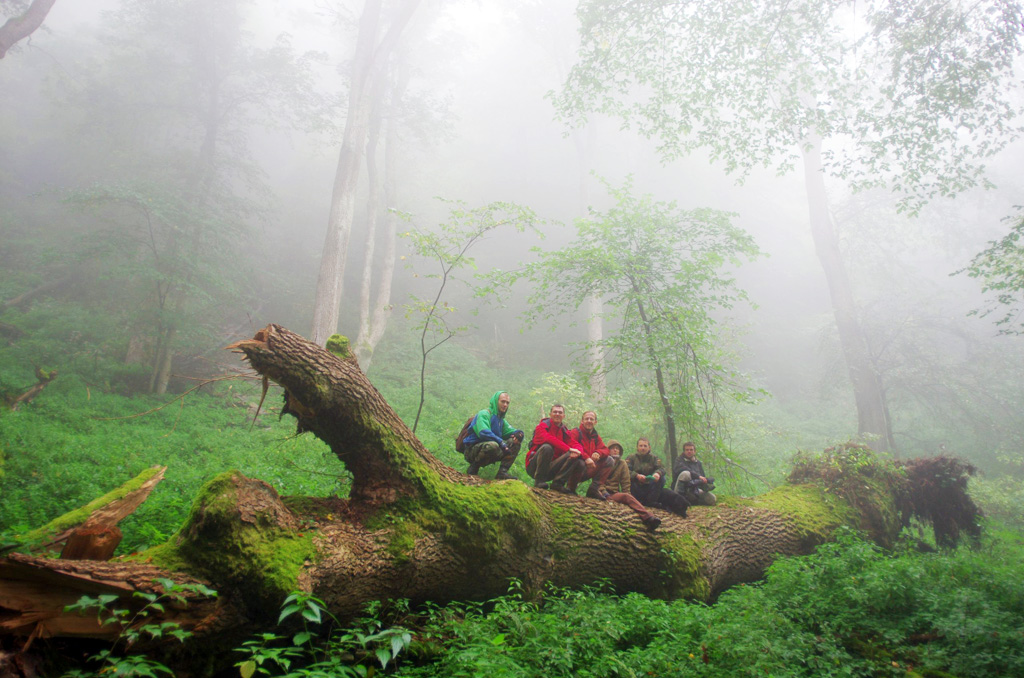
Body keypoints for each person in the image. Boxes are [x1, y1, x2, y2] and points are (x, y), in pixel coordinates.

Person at [592, 439, 661, 530]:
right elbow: (598, 481)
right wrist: (604, 493)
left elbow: (625, 482)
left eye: (617, 448)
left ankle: (649, 518)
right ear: (608, 450)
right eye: (612, 448)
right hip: (599, 492)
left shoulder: (622, 463)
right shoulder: (602, 462)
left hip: (613, 493)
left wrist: (627, 496)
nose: (615, 450)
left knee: (627, 497)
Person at [461, 391, 524, 480]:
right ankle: (474, 467)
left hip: (490, 449)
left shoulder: (500, 420)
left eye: (507, 403)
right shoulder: (484, 414)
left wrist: (520, 433)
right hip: (472, 450)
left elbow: (512, 431)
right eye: (503, 401)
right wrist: (500, 442)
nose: (505, 405)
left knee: (514, 442)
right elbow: (483, 432)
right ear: (495, 401)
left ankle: (502, 473)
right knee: (492, 445)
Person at [525, 404, 585, 493]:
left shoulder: (564, 431)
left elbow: (573, 443)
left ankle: (558, 484)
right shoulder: (542, 426)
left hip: (551, 468)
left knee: (575, 457)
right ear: (550, 414)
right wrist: (568, 449)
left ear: (563, 416)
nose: (557, 414)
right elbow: (548, 438)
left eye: (560, 412)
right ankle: (539, 481)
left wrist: (579, 452)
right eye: (555, 412)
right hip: (534, 467)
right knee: (547, 447)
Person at [625, 437, 688, 517]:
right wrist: (636, 476)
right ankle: (641, 500)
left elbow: (662, 468)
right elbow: (626, 470)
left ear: (649, 447)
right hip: (637, 487)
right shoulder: (631, 458)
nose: (643, 448)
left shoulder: (654, 458)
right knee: (630, 478)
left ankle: (651, 501)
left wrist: (657, 474)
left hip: (651, 489)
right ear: (637, 447)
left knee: (662, 479)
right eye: (641, 446)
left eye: (645, 446)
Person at [570, 410, 610, 493]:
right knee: (579, 461)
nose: (589, 421)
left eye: (591, 419)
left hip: (588, 468)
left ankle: (594, 489)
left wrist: (598, 453)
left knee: (609, 460)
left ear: (595, 422)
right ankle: (570, 487)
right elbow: (572, 446)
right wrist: (587, 458)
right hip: (572, 469)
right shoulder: (575, 432)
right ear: (582, 421)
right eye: (586, 419)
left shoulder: (595, 436)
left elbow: (606, 450)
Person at [672, 441, 717, 506]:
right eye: (687, 450)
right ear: (684, 451)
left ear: (694, 451)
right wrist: (698, 477)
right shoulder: (679, 460)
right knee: (686, 473)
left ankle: (694, 501)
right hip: (681, 489)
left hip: (695, 489)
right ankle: (679, 500)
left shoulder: (698, 463)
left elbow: (702, 477)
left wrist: (706, 481)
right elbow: (683, 469)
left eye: (691, 450)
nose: (689, 451)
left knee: (712, 499)